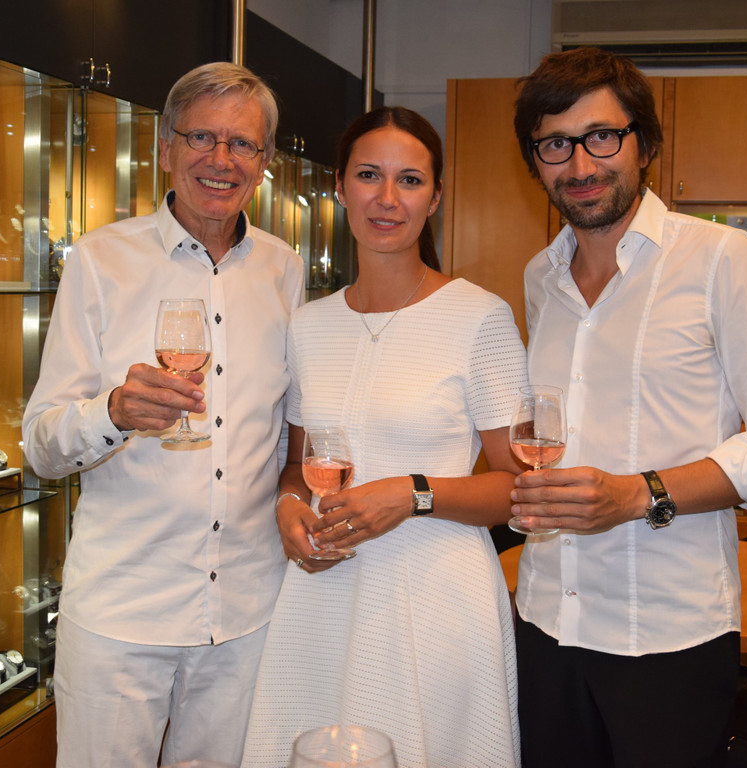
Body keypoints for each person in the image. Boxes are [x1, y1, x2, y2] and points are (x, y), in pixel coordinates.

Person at [508, 48, 747, 768]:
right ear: (536, 162)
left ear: (644, 145)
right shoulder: (539, 278)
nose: (580, 164)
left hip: (669, 635)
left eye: (602, 136)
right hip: (548, 618)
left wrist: (636, 494)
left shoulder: (719, 259)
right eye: (555, 144)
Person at [21, 62, 303, 767]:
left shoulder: (283, 269)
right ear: (165, 147)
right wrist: (115, 411)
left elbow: (282, 436)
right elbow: (41, 445)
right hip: (122, 614)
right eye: (201, 137)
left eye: (242, 144)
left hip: (246, 616)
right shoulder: (101, 261)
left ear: (265, 162)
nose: (221, 159)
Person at [240, 106, 527, 768]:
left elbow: (518, 488)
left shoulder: (479, 318)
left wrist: (411, 493)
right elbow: (298, 465)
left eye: (410, 180)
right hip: (323, 589)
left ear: (436, 197)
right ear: (340, 187)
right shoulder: (309, 325)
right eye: (369, 175)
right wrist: (288, 506)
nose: (388, 198)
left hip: (436, 600)